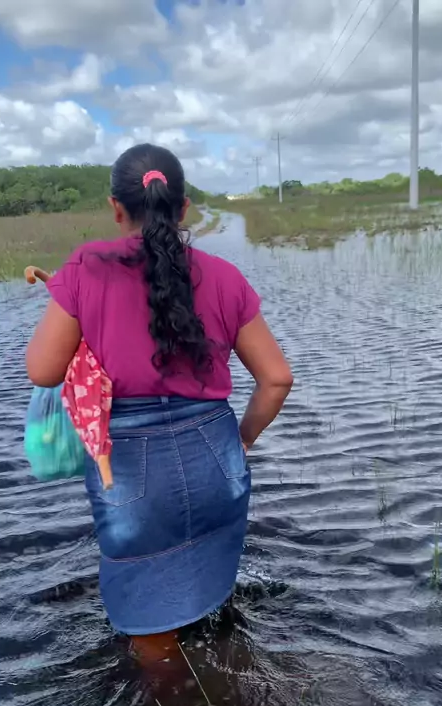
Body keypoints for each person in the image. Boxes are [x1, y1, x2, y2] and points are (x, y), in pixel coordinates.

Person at [26, 143, 293, 660]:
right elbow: (276, 380)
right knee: (211, 589)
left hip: (129, 467)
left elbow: (43, 371)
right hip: (217, 455)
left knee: (149, 627)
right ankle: (227, 679)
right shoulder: (224, 276)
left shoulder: (84, 269)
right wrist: (240, 441)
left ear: (116, 208)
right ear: (184, 207)